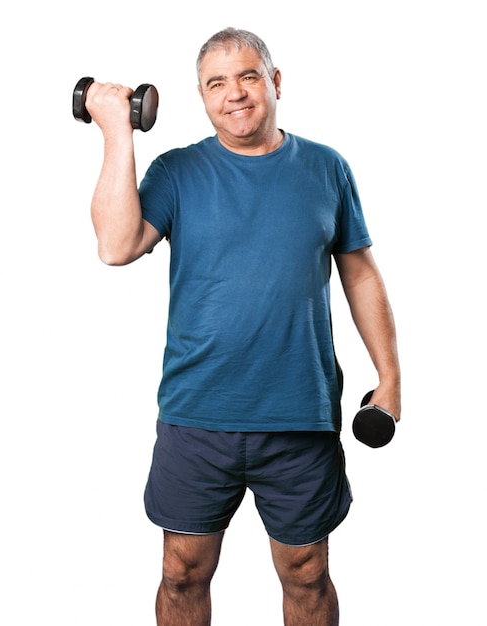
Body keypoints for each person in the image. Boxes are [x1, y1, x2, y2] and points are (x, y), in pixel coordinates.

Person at [86, 27, 401, 626]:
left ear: (275, 82)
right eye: (216, 83)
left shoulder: (327, 168)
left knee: (308, 575)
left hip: (298, 415)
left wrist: (390, 379)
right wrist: (116, 131)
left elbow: (360, 274)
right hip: (197, 415)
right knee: (181, 571)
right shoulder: (177, 172)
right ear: (201, 97)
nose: (235, 93)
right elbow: (115, 245)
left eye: (249, 75)